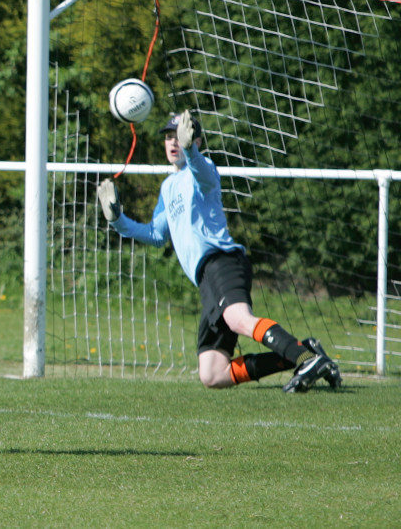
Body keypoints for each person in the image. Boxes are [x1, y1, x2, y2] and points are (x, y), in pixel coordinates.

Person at [97, 110, 341, 393]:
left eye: (180, 136)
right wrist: (118, 221)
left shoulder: (203, 167)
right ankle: (304, 351)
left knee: (238, 319)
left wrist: (191, 153)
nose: (173, 142)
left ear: (196, 141)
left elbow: (204, 176)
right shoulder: (168, 187)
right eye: (168, 137)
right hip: (206, 278)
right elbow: (155, 234)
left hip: (222, 262)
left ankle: (305, 359)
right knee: (212, 374)